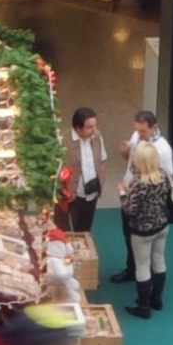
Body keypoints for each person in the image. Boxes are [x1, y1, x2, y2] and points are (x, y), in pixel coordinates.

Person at [109, 112, 173, 287]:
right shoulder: (138, 136)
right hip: (133, 193)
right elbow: (132, 160)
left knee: (146, 257)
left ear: (154, 128)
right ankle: (134, 271)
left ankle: (144, 287)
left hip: (144, 205)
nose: (139, 134)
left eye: (143, 131)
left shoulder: (163, 149)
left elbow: (166, 179)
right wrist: (125, 152)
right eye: (137, 130)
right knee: (128, 238)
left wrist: (133, 192)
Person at [122, 139, 173, 322]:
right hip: (162, 225)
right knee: (159, 259)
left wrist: (123, 194)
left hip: (142, 231)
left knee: (142, 265)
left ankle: (143, 306)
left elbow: (130, 210)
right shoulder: (163, 175)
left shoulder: (138, 183)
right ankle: (157, 299)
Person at [64, 107, 108, 254]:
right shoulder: (64, 141)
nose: (93, 130)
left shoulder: (97, 136)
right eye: (89, 127)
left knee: (85, 230)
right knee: (69, 232)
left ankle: (83, 260)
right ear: (78, 128)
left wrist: (101, 181)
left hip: (92, 193)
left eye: (95, 125)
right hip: (73, 196)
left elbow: (102, 160)